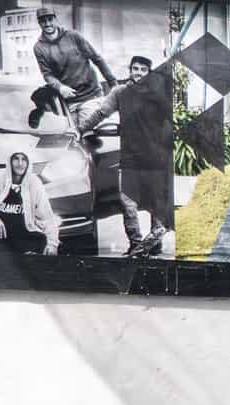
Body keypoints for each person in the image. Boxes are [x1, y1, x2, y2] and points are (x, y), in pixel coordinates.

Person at [79, 56, 174, 256]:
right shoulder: (120, 92)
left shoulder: (156, 95)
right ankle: (136, 243)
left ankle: (154, 243)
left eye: (143, 70)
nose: (138, 73)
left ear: (149, 73)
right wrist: (81, 129)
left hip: (155, 158)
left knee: (155, 202)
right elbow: (100, 113)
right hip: (130, 158)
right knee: (127, 202)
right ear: (130, 70)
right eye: (135, 68)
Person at [32, 7, 117, 132]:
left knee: (87, 134)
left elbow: (96, 58)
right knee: (70, 137)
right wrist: (60, 87)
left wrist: (112, 82)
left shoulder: (73, 36)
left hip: (90, 96)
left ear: (55, 20)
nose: (47, 24)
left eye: (50, 19)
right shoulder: (39, 47)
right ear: (39, 23)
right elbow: (47, 74)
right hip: (68, 102)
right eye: (43, 21)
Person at [0, 152, 61, 255]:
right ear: (9, 161)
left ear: (28, 162)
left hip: (21, 234)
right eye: (16, 159)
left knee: (41, 242)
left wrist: (52, 243)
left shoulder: (34, 182)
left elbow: (47, 217)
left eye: (24, 159)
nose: (20, 163)